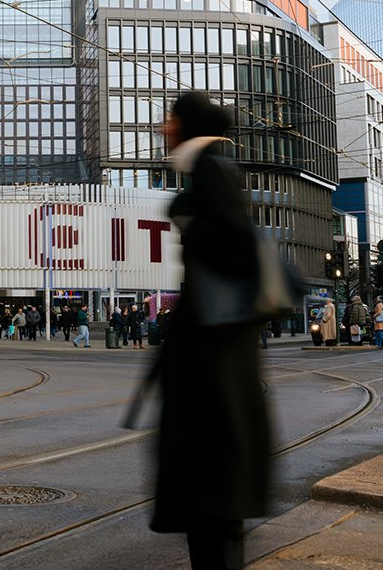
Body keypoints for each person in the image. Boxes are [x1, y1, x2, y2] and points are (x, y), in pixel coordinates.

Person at [150, 91, 270, 570]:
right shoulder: (210, 170)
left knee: (212, 498)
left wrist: (186, 216)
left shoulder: (211, 171)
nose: (163, 127)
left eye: (171, 118)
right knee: (211, 502)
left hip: (213, 371)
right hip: (213, 365)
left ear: (189, 124)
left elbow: (237, 253)